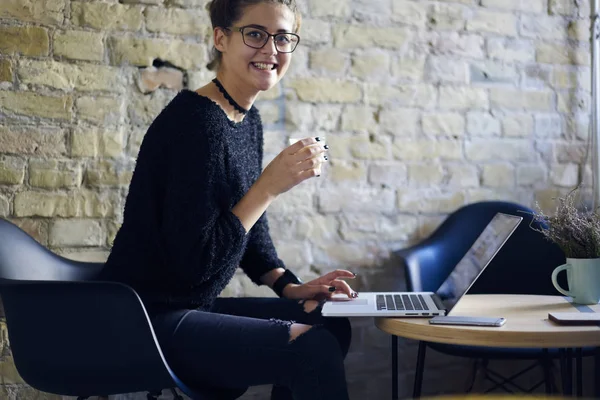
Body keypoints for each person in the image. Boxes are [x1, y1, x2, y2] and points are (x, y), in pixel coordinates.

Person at [98, 0, 357, 398]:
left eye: (283, 38)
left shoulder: (244, 119)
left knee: (331, 322)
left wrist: (290, 286)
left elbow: (249, 229)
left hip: (190, 307)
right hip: (148, 316)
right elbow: (193, 267)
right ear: (221, 38)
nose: (271, 50)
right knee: (312, 346)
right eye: (255, 34)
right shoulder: (196, 124)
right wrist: (267, 187)